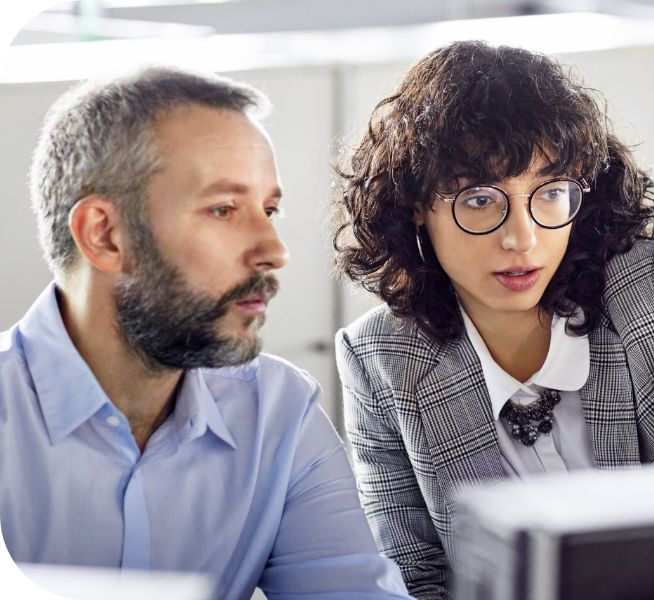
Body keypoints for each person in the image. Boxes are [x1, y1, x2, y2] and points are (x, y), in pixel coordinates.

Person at [331, 41, 654, 598]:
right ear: (416, 207)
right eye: (479, 200)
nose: (522, 238)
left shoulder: (653, 289)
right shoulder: (381, 357)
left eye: (549, 193)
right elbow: (413, 578)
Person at [0, 66, 411, 600]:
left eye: (269, 210)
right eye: (224, 210)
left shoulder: (279, 410)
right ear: (104, 235)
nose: (274, 250)